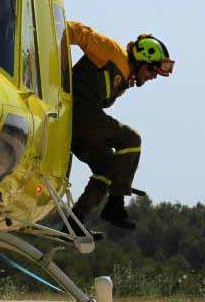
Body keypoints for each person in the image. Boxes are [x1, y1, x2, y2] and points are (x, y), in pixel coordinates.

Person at [67, 21, 174, 231]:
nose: (152, 77)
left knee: (107, 167)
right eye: (152, 72)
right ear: (144, 61)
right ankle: (115, 205)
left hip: (75, 124)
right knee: (131, 139)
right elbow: (78, 32)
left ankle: (73, 223)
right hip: (76, 113)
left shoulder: (124, 77)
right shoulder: (113, 53)